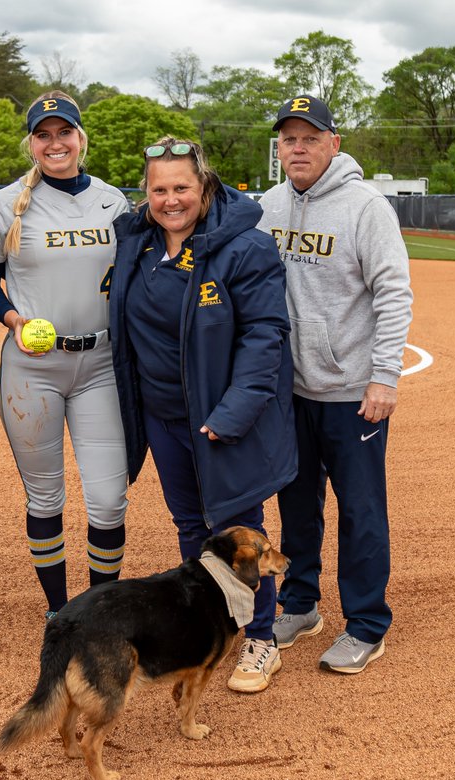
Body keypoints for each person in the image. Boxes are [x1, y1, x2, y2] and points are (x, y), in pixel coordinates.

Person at [109, 136, 297, 693]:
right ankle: (211, 622)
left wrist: (234, 412)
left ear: (205, 186)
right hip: (164, 418)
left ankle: (262, 636)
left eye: (182, 188)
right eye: (159, 189)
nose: (171, 200)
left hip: (222, 420)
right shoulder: (137, 245)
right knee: (192, 527)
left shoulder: (245, 249)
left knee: (241, 533)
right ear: (145, 194)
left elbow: (266, 337)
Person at [257, 94, 413, 674]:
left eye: (310, 138)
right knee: (296, 503)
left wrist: (384, 378)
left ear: (333, 144)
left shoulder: (365, 207)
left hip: (352, 392)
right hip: (289, 389)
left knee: (361, 509)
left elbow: (394, 293)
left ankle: (367, 622)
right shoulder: (268, 204)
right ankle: (300, 603)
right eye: (289, 139)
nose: (298, 148)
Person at [0, 92, 129, 621]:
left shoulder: (113, 201)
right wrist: (13, 319)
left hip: (102, 364)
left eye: (63, 132)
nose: (54, 143)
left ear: (80, 138)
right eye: (43, 134)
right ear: (32, 144)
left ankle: (99, 611)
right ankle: (60, 614)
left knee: (109, 500)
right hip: (33, 367)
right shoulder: (5, 204)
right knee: (45, 500)